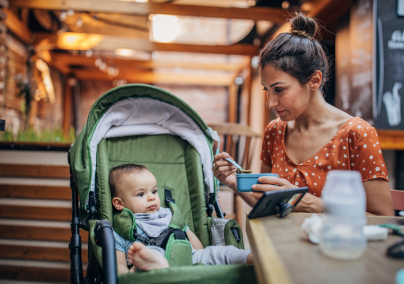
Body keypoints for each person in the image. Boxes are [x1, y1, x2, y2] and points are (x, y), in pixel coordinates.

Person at [213, 12, 394, 216]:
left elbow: (383, 219)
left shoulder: (357, 134)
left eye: (279, 90)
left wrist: (311, 203)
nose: (270, 103)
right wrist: (234, 182)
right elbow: (265, 204)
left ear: (314, 80)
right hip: (277, 246)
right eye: (267, 90)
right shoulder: (275, 131)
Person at [109, 164, 253, 274]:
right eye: (141, 194)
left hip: (189, 258)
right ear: (119, 203)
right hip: (155, 268)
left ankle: (248, 258)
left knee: (219, 252)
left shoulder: (170, 214)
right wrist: (129, 273)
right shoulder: (122, 229)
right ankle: (157, 264)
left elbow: (193, 241)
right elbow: (120, 267)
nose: (152, 197)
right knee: (148, 253)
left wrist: (203, 257)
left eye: (154, 191)